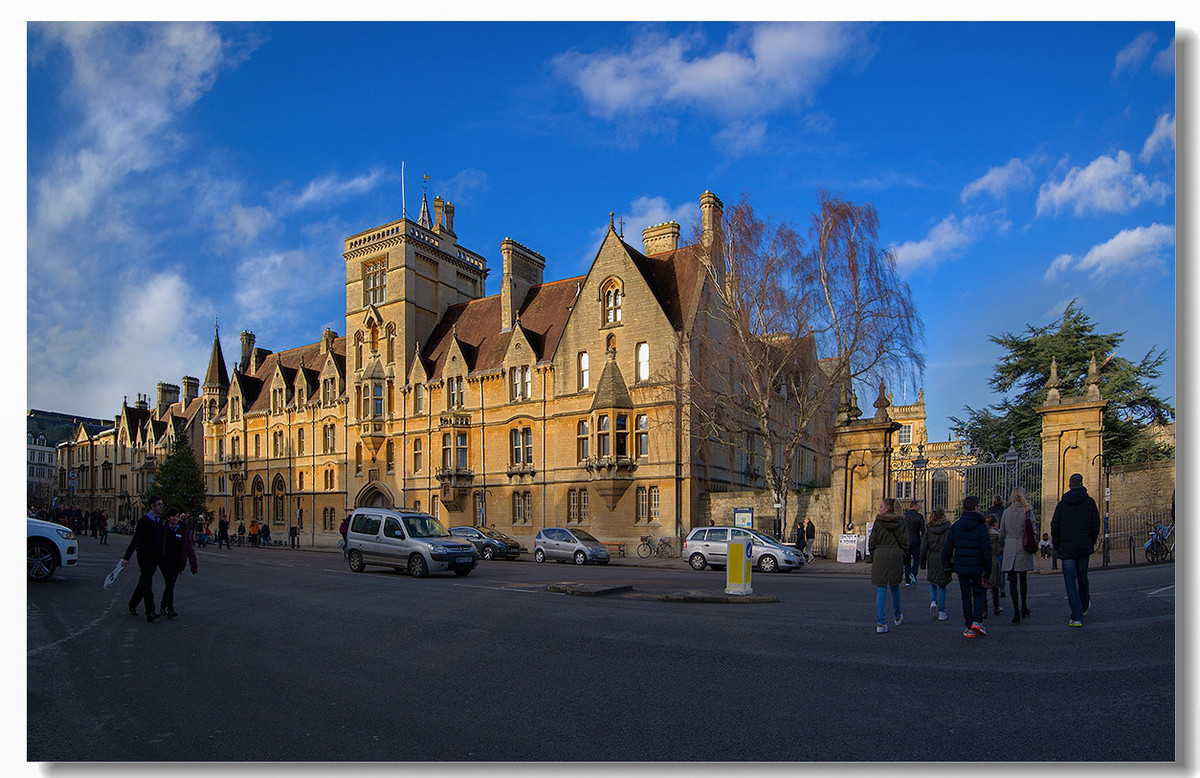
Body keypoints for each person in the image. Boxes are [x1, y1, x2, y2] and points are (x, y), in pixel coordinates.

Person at [1050, 473, 1101, 628]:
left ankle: (1077, 616)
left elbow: (1055, 527)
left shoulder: (1062, 504)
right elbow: (1095, 525)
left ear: (1070, 485)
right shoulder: (1090, 502)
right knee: (1083, 578)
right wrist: (1090, 542)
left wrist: (1058, 546)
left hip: (1067, 548)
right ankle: (1084, 605)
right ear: (1082, 483)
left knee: (1070, 582)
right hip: (1084, 545)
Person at [942, 495, 992, 638]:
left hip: (961, 565)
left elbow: (947, 547)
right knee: (978, 592)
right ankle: (977, 620)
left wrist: (947, 565)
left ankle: (969, 625)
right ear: (976, 508)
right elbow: (986, 551)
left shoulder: (956, 525)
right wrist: (988, 570)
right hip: (977, 565)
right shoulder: (982, 527)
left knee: (965, 595)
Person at [120, 497, 167, 623]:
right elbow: (135, 540)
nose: (161, 507)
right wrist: (126, 557)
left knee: (143, 583)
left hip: (155, 557)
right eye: (158, 504)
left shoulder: (160, 520)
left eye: (161, 504)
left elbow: (161, 540)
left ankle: (133, 604)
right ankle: (150, 611)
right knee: (147, 582)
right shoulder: (144, 521)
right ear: (152, 506)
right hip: (144, 556)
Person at [868, 498, 907, 633]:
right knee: (895, 586)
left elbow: (872, 541)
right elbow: (905, 542)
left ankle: (881, 623)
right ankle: (897, 616)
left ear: (888, 508)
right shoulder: (901, 521)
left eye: (881, 506)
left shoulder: (879, 522)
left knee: (881, 588)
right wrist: (902, 553)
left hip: (881, 554)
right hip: (895, 554)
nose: (879, 509)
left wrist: (874, 554)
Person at [999, 486, 1036, 623]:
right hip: (1023, 545)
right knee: (1023, 579)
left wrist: (1003, 541)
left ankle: (1016, 611)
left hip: (1010, 545)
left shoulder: (1007, 512)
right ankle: (1024, 605)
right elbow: (1033, 528)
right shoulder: (1028, 511)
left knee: (1012, 581)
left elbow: (1002, 532)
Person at [157, 508, 198, 619]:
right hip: (165, 562)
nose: (175, 519)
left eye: (176, 516)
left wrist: (193, 564)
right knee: (170, 582)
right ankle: (170, 609)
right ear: (168, 518)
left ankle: (163, 605)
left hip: (177, 562)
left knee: (170, 584)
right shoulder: (163, 530)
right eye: (173, 516)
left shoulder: (182, 530)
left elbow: (189, 548)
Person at [920, 508, 952, 621]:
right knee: (942, 585)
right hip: (944, 557)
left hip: (932, 557)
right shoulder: (948, 529)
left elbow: (924, 547)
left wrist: (922, 562)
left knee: (933, 583)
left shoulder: (929, 529)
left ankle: (933, 601)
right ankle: (942, 611)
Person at [983, 515, 1003, 617]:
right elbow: (1000, 551)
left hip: (984, 561)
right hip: (994, 560)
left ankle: (984, 610)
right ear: (995, 523)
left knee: (984, 586)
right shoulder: (997, 536)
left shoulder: (983, 534)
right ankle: (996, 607)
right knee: (995, 586)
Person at [902, 501, 925, 586]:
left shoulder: (904, 516)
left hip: (906, 541)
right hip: (916, 540)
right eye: (918, 506)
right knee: (916, 559)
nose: (919, 508)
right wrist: (923, 540)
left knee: (907, 561)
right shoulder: (919, 517)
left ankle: (907, 580)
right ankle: (913, 572)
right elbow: (923, 530)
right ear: (914, 506)